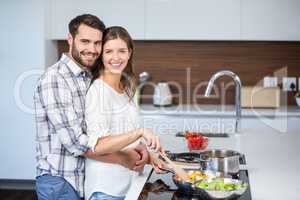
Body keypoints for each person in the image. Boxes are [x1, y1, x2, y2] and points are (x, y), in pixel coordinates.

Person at [34, 14, 160, 200]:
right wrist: (125, 155)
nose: (92, 49)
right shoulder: (55, 79)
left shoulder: (86, 75)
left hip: (81, 177)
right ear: (70, 39)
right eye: (85, 41)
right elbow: (76, 143)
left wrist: (137, 146)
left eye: (97, 43)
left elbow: (103, 129)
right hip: (60, 179)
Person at [84, 26, 165, 200]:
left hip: (128, 184)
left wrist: (150, 157)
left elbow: (122, 133)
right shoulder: (99, 90)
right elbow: (98, 146)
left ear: (130, 53)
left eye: (121, 51)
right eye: (109, 51)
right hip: (106, 189)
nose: (116, 57)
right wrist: (140, 132)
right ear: (101, 55)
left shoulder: (127, 87)